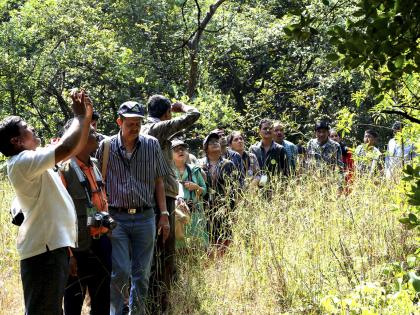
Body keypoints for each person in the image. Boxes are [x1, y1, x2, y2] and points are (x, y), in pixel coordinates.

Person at [0, 89, 92, 315]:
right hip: (43, 254)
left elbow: (73, 147)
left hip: (52, 250)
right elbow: (66, 147)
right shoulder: (22, 162)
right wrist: (79, 118)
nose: (33, 128)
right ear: (17, 140)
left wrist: (86, 117)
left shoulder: (32, 159)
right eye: (27, 127)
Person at [96, 101, 171, 315]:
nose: (135, 128)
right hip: (116, 218)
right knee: (119, 272)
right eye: (130, 123)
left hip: (145, 217)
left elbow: (159, 181)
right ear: (119, 122)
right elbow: (98, 182)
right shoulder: (107, 146)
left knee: (142, 274)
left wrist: (164, 214)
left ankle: (136, 312)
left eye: (138, 123)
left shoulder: (152, 144)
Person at [141, 94, 200, 313]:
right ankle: (160, 305)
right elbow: (194, 115)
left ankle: (150, 302)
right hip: (162, 196)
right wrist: (182, 107)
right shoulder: (158, 128)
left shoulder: (138, 128)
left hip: (144, 197)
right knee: (164, 253)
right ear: (166, 113)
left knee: (150, 254)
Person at [60, 122, 112, 315]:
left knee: (102, 299)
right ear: (79, 140)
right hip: (78, 247)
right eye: (91, 133)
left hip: (102, 242)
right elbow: (61, 216)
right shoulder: (64, 170)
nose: (96, 135)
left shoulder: (95, 164)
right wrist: (69, 255)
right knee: (74, 301)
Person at [198, 132, 236, 249]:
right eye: (211, 142)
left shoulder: (228, 164)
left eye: (216, 141)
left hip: (225, 208)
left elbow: (234, 189)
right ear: (205, 147)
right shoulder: (199, 165)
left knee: (225, 240)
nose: (215, 143)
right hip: (205, 209)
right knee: (208, 242)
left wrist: (234, 211)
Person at [172, 139, 208, 250]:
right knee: (180, 246)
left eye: (182, 148)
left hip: (195, 211)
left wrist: (196, 187)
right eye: (176, 149)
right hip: (177, 213)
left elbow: (205, 190)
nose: (180, 151)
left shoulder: (195, 170)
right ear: (170, 154)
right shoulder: (168, 171)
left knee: (198, 245)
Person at [249, 119, 289, 185]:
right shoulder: (253, 149)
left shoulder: (280, 149)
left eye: (270, 128)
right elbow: (249, 172)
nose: (267, 131)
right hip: (256, 189)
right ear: (259, 131)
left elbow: (286, 173)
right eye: (265, 128)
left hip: (275, 189)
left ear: (273, 130)